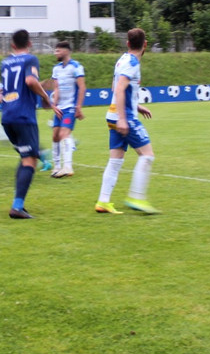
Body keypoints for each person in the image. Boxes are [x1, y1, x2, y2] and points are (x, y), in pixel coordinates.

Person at [96, 27, 159, 214]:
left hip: (113, 114)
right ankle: (136, 197)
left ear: (127, 43)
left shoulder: (122, 60)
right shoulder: (132, 63)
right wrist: (124, 118)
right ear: (145, 44)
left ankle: (103, 202)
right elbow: (119, 88)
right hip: (124, 117)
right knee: (147, 155)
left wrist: (137, 106)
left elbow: (114, 86)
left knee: (115, 160)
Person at [1, 30, 59, 219]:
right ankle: (17, 207)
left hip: (7, 116)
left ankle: (18, 204)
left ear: (13, 45)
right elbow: (30, 81)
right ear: (30, 43)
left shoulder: (5, 62)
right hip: (23, 115)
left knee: (26, 157)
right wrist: (46, 98)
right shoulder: (30, 59)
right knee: (29, 160)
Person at [48, 41, 85, 178]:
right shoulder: (56, 69)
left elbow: (82, 87)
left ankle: (68, 167)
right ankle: (57, 166)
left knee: (64, 134)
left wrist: (78, 106)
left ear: (66, 51)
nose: (55, 53)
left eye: (58, 50)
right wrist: (54, 105)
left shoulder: (76, 67)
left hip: (70, 107)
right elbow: (56, 88)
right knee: (55, 136)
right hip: (59, 108)